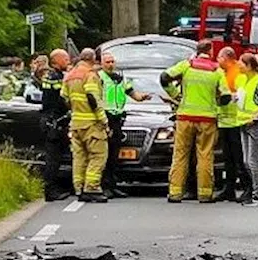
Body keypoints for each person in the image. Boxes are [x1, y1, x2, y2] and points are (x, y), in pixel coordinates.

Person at [162, 41, 230, 203]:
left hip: (185, 117)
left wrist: (176, 95)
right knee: (205, 156)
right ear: (211, 51)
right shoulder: (217, 70)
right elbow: (226, 97)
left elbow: (164, 77)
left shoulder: (186, 66)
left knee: (180, 155)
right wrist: (217, 104)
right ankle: (205, 193)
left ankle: (175, 192)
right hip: (207, 119)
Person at [98, 51, 151, 197]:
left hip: (117, 118)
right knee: (104, 154)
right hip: (105, 117)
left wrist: (142, 97)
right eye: (107, 62)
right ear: (101, 64)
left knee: (114, 154)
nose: (110, 64)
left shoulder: (121, 78)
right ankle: (104, 185)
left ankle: (112, 185)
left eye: (112, 62)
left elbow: (132, 93)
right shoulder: (99, 78)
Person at [64, 48, 109, 203]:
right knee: (98, 156)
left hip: (76, 123)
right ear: (93, 59)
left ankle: (79, 187)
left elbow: (64, 98)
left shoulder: (69, 76)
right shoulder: (90, 75)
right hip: (91, 123)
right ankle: (92, 187)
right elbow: (93, 98)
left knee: (79, 157)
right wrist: (103, 120)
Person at [216, 46, 249, 202]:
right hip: (224, 121)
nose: (217, 61)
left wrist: (226, 98)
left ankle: (247, 187)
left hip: (236, 121)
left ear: (227, 58)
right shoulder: (222, 73)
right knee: (228, 158)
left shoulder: (238, 73)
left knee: (238, 157)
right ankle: (229, 188)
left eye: (219, 58)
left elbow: (240, 95)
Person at [237, 53, 258, 206]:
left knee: (252, 160)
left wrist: (254, 117)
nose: (238, 65)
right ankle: (253, 190)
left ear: (249, 66)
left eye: (241, 63)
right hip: (243, 123)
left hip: (255, 124)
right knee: (246, 160)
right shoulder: (243, 80)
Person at [39, 49, 72, 201]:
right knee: (53, 158)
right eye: (65, 59)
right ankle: (50, 190)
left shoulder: (50, 76)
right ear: (56, 61)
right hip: (54, 122)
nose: (68, 61)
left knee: (56, 157)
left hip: (51, 120)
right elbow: (62, 99)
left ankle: (55, 187)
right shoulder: (55, 78)